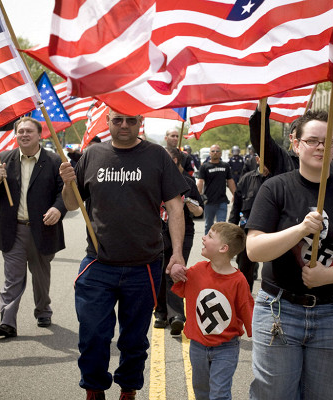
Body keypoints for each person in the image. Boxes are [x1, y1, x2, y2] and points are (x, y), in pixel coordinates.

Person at [245, 110, 333, 399]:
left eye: (327, 142)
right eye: (312, 140)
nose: (320, 147)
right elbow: (254, 249)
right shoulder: (275, 188)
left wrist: (327, 276)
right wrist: (299, 230)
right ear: (296, 145)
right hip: (279, 311)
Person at [59, 108, 188, 400]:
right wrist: (68, 182)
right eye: (118, 120)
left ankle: (128, 389)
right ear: (107, 123)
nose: (125, 125)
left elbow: (176, 206)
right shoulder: (92, 155)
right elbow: (70, 203)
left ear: (140, 123)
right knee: (93, 335)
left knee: (133, 340)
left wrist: (177, 253)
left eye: (131, 120)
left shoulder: (157, 156)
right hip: (98, 264)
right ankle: (94, 389)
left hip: (143, 265)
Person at [0, 117, 66, 338]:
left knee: (40, 276)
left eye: (29, 131)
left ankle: (43, 310)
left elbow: (64, 193)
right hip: (13, 230)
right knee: (13, 277)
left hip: (43, 230)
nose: (24, 135)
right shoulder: (4, 160)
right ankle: (7, 321)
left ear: (40, 135)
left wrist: (58, 209)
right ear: (15, 135)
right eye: (20, 131)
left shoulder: (53, 161)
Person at [169, 222, 253, 400]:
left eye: (209, 236)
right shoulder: (197, 270)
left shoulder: (238, 281)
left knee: (219, 394)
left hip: (226, 348)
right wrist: (175, 270)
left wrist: (259, 336)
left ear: (223, 248)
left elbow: (247, 309)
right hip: (197, 346)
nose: (203, 237)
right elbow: (179, 283)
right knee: (201, 392)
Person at [154, 147, 203, 336]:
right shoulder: (154, 179)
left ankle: (176, 316)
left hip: (183, 233)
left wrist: (191, 206)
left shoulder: (188, 182)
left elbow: (200, 211)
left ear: (175, 161)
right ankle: (160, 313)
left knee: (174, 271)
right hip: (157, 231)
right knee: (159, 271)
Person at [228, 156, 270, 290]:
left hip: (273, 231)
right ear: (258, 159)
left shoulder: (280, 179)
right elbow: (237, 206)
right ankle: (245, 298)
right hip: (248, 230)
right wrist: (232, 228)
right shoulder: (246, 179)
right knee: (245, 268)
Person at [197, 145, 236, 235]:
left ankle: (219, 246)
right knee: (208, 225)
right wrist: (198, 196)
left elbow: (230, 181)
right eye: (213, 151)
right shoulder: (204, 166)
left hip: (222, 201)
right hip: (209, 202)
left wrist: (235, 194)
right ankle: (207, 245)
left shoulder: (225, 166)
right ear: (210, 153)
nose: (215, 153)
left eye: (217, 151)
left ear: (220, 153)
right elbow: (200, 181)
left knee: (221, 225)